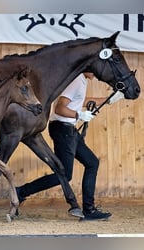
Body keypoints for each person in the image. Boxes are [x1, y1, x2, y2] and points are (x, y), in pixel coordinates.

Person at [16, 72, 124, 220]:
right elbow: (59, 108)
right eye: (93, 69)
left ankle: (89, 210)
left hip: (69, 129)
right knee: (65, 174)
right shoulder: (76, 81)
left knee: (92, 163)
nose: (97, 73)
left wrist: (109, 100)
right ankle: (21, 192)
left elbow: (81, 100)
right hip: (62, 129)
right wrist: (79, 115)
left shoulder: (81, 80)